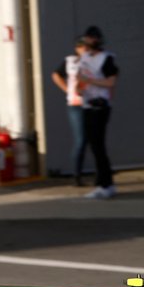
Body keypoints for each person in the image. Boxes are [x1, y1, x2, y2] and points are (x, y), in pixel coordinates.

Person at [77, 25, 119, 199]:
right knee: (93, 145)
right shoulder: (85, 57)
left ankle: (105, 184)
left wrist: (90, 81)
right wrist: (80, 87)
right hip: (88, 104)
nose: (88, 42)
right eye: (87, 38)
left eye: (91, 38)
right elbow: (81, 78)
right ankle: (103, 181)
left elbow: (110, 83)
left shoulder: (106, 59)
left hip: (100, 106)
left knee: (98, 145)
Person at [51, 38, 89, 186]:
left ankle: (99, 174)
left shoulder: (94, 61)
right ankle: (77, 175)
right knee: (81, 140)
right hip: (76, 104)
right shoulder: (71, 61)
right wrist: (67, 90)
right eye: (83, 47)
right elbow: (56, 75)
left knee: (93, 140)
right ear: (77, 48)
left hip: (91, 104)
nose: (86, 50)